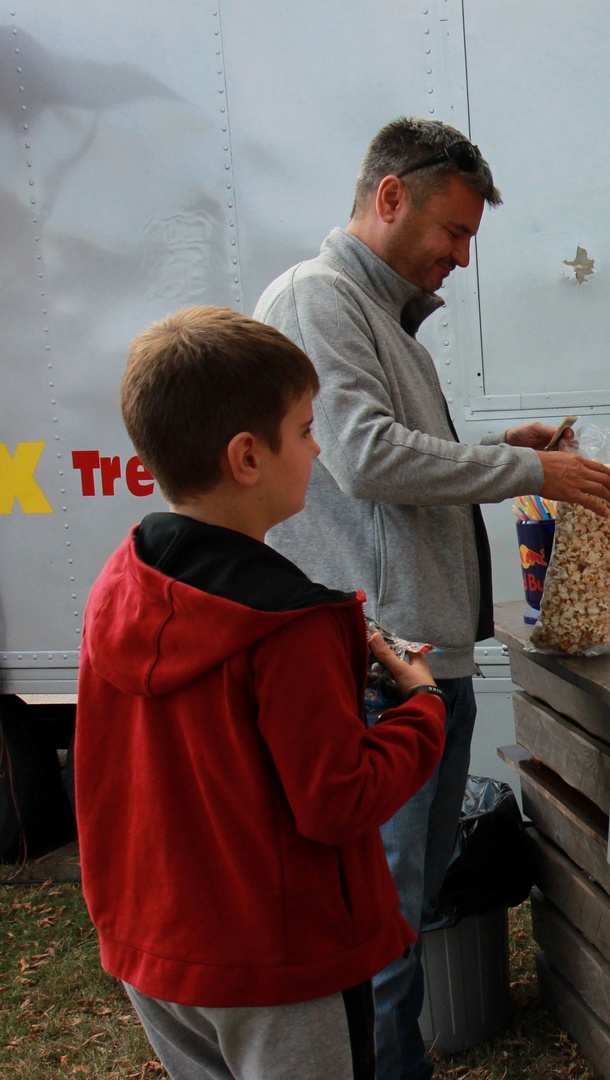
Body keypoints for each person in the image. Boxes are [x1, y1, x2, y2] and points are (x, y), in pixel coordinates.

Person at [253, 117, 610, 1079]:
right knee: (378, 921)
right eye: (452, 234)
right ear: (388, 199)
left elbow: (377, 456)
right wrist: (522, 466)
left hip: (419, 662)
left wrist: (510, 442)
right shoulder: (317, 301)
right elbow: (368, 458)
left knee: (401, 910)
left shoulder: (381, 316)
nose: (460, 259)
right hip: (379, 666)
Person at [76, 306, 446, 1080]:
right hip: (280, 968)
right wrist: (420, 709)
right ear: (247, 456)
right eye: (306, 430)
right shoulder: (292, 625)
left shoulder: (122, 579)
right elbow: (336, 799)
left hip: (156, 950)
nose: (317, 449)